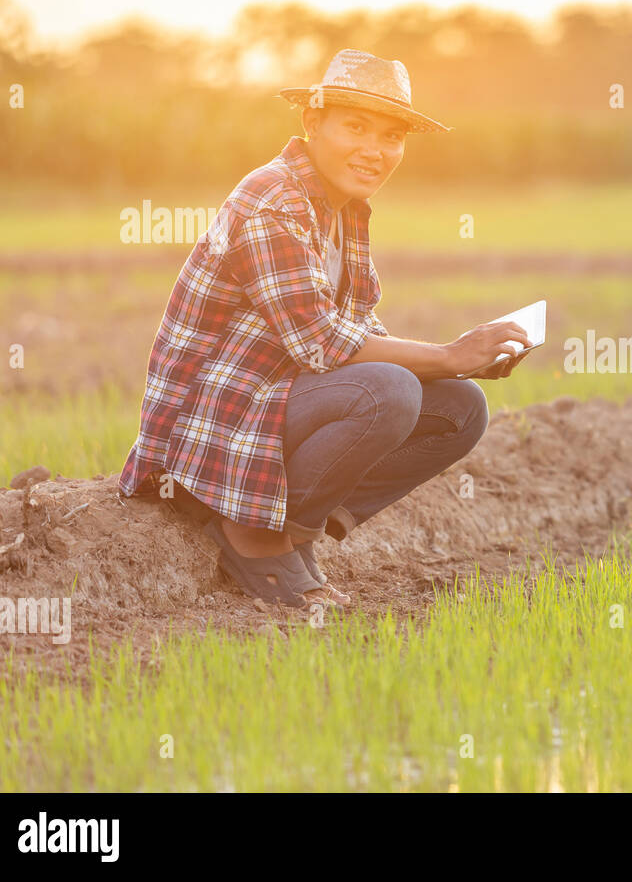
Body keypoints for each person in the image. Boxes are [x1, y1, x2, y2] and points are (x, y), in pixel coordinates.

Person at [118, 49, 530, 608]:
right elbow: (321, 342)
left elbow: (356, 324)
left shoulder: (343, 209)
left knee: (461, 406)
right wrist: (451, 351)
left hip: (269, 407)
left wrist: (464, 362)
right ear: (312, 123)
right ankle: (252, 537)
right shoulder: (274, 199)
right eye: (355, 127)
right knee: (389, 390)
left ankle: (292, 533)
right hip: (205, 436)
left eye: (391, 136)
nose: (374, 150)